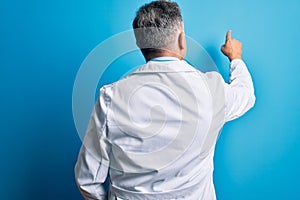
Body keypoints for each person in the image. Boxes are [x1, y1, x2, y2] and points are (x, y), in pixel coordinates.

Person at [74, 0, 255, 199]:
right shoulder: (212, 90)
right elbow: (245, 94)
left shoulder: (110, 98)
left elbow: (88, 180)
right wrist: (235, 58)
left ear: (139, 44)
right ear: (181, 40)